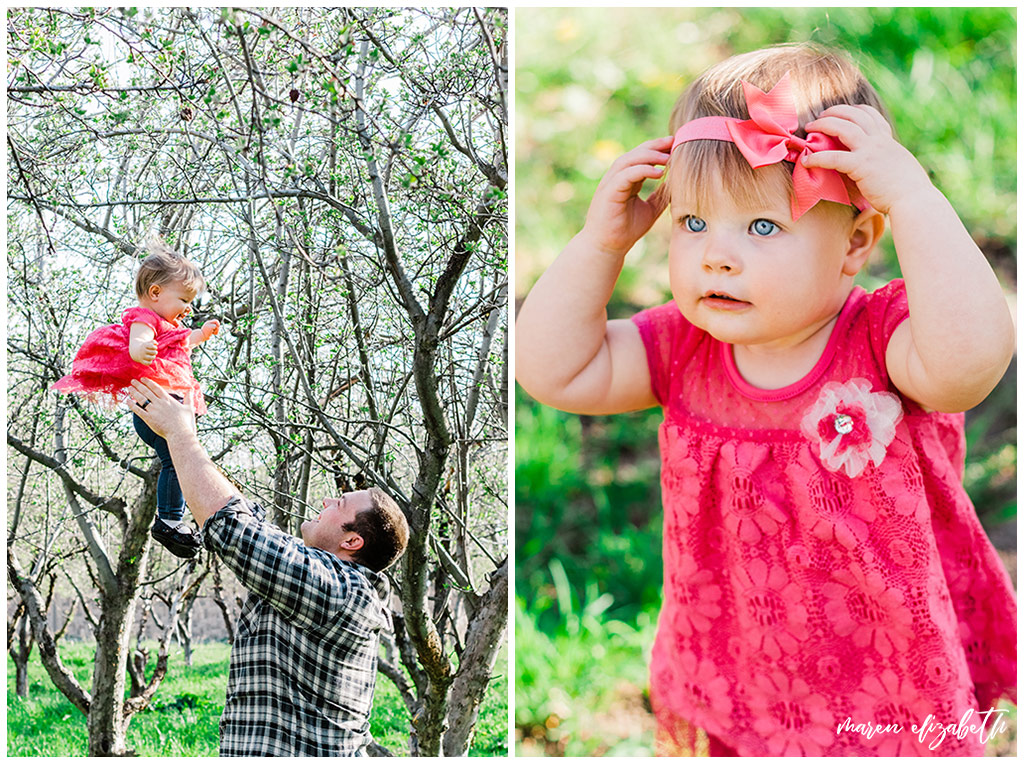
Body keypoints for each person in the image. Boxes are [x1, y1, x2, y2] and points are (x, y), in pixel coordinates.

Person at [516, 43, 1016, 756]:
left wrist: (912, 199)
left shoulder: (886, 343)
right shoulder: (687, 349)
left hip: (889, 679)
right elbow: (553, 373)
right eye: (693, 223)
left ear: (855, 243)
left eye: (761, 227)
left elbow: (971, 365)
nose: (717, 255)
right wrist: (600, 245)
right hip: (739, 669)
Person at [126, 376, 409, 756]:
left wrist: (182, 434)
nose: (326, 500)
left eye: (339, 504)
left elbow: (236, 530)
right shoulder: (322, 576)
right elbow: (251, 524)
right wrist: (175, 448)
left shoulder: (341, 591)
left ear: (352, 541)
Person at [54, 241, 220, 558]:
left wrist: (202, 334)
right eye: (184, 299)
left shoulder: (171, 326)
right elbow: (137, 342)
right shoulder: (145, 317)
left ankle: (178, 518)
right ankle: (169, 521)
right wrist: (140, 349)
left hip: (171, 407)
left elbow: (185, 343)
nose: (188, 308)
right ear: (156, 293)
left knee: (182, 461)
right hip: (154, 408)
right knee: (175, 461)